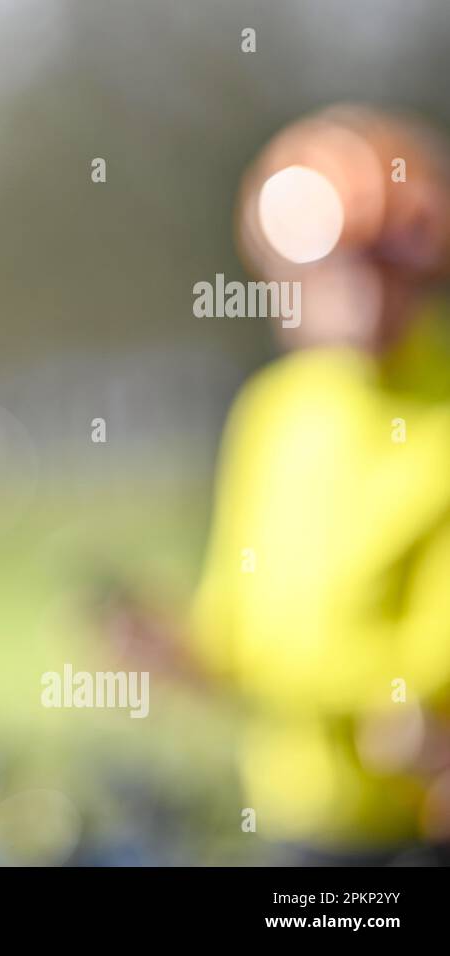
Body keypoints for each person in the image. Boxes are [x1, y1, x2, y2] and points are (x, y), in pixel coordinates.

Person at [190, 104, 450, 861]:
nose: (356, 295)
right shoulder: (273, 415)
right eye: (326, 270)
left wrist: (356, 691)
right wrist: (174, 652)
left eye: (377, 265)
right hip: (295, 828)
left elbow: (428, 664)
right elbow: (232, 634)